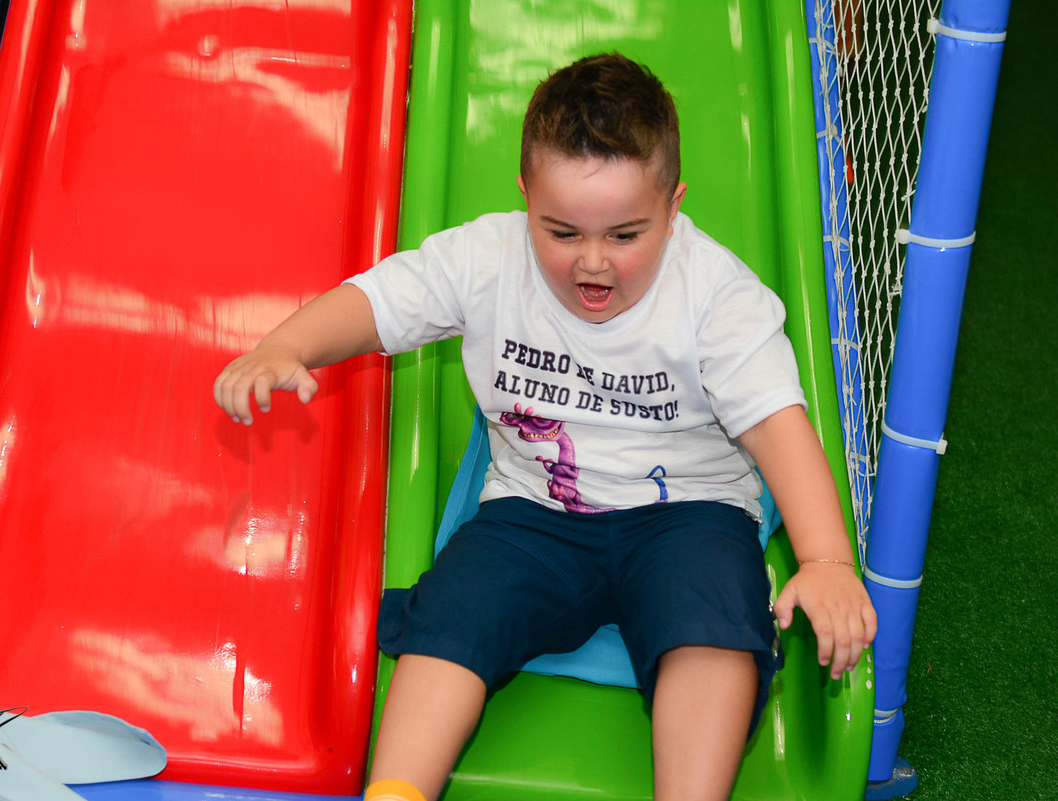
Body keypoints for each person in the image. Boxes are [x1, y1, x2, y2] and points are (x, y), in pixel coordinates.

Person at [214, 53, 876, 801]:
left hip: (688, 515)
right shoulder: (487, 258)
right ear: (525, 198)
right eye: (561, 232)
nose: (592, 262)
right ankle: (396, 790)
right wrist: (287, 347)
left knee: (714, 623)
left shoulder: (716, 296)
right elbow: (380, 301)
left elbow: (779, 429)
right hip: (534, 511)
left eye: (625, 235)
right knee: (454, 610)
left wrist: (827, 559)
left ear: (673, 206)